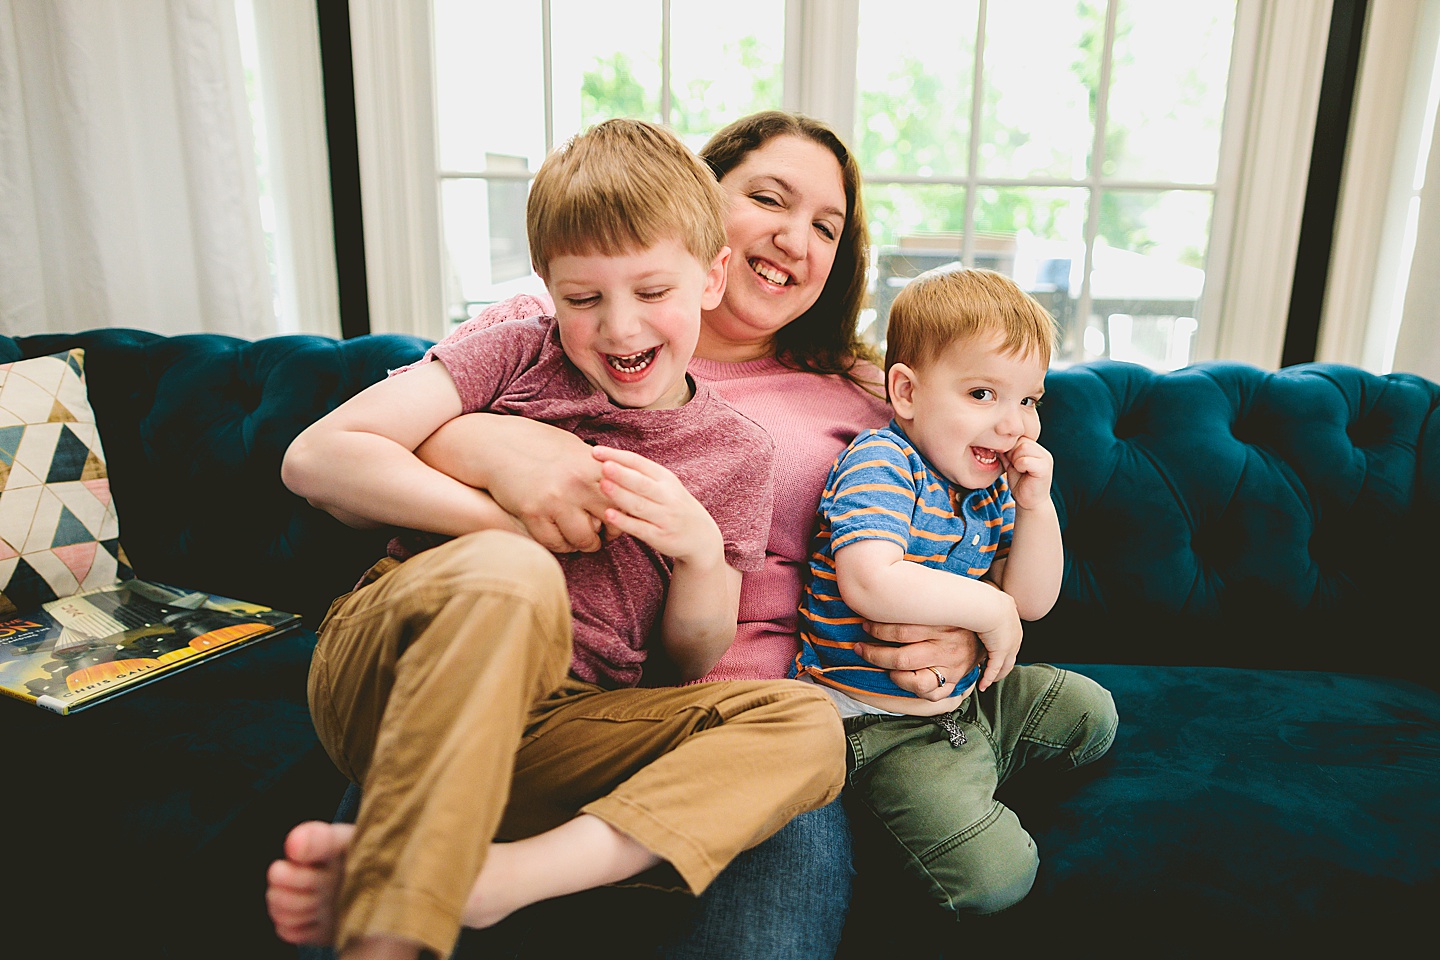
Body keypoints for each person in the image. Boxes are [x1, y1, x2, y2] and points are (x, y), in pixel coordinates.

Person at [264, 117, 846, 960]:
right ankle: (392, 936)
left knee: (807, 726)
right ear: (547, 288)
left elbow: (688, 661)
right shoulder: (514, 353)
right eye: (583, 300)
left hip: (562, 722)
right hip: (403, 669)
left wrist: (694, 553)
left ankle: (492, 879)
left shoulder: (736, 451)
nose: (618, 328)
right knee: (510, 574)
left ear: (708, 277)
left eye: (651, 294)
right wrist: (505, 521)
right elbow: (317, 459)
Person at [794, 266, 1118, 916]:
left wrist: (1037, 507)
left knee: (1093, 714)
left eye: (1029, 400)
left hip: (969, 701)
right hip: (876, 727)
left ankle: (972, 761)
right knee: (996, 877)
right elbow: (869, 578)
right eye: (982, 393)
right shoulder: (882, 462)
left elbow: (1031, 602)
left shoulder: (990, 487)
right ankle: (918, 800)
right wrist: (988, 607)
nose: (1013, 424)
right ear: (907, 392)